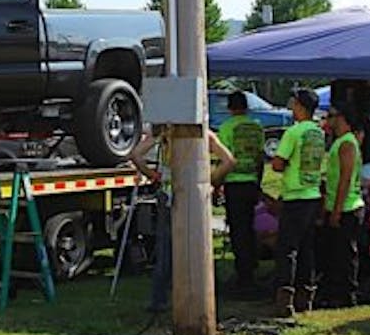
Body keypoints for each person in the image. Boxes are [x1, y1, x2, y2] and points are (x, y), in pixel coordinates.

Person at [129, 125, 236, 313]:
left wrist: (152, 174)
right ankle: (200, 296)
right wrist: (211, 180)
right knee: (198, 247)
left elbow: (136, 155)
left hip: (169, 194)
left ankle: (159, 299)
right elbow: (229, 161)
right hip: (195, 197)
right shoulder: (205, 135)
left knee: (165, 249)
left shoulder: (164, 134)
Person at [270, 88, 326, 318]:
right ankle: (306, 297)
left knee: (287, 249)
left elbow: (277, 163)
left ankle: (285, 299)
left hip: (295, 196)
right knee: (306, 248)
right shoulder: (318, 133)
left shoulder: (293, 133)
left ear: (301, 106)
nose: (291, 106)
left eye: (293, 102)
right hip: (312, 195)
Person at [216, 92, 266, 297]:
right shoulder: (257, 127)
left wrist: (217, 183)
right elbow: (260, 157)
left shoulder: (226, 127)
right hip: (252, 182)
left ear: (230, 108)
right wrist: (258, 181)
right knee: (250, 227)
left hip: (234, 184)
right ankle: (251, 269)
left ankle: (243, 275)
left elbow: (224, 159)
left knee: (238, 230)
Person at [315, 102, 365, 308]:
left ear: (342, 118)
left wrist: (336, 210)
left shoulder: (346, 144)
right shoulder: (341, 142)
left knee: (344, 255)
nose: (329, 120)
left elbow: (345, 178)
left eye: (332, 116)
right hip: (338, 204)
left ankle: (346, 295)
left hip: (347, 207)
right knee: (334, 253)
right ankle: (335, 291)